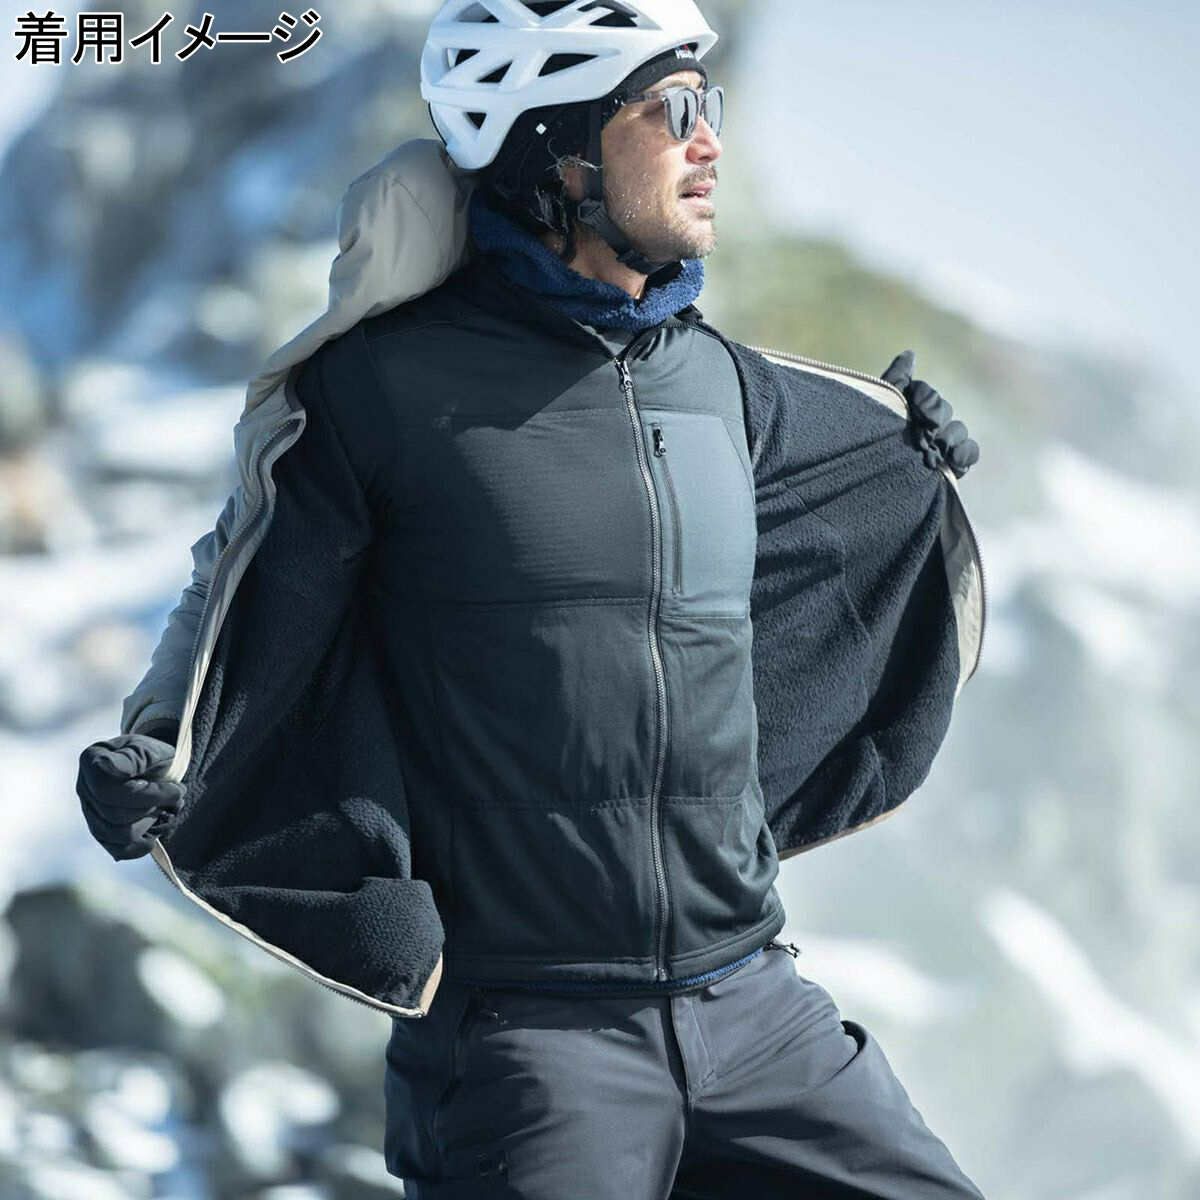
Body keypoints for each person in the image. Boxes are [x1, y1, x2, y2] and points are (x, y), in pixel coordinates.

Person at [77, 1, 985, 1196]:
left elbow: (844, 486)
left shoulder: (721, 384)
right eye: (674, 109)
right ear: (558, 144)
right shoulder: (382, 391)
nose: (711, 140)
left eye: (709, 105)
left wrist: (903, 458)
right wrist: (159, 739)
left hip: (761, 1008)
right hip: (528, 1050)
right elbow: (242, 571)